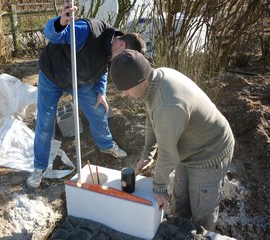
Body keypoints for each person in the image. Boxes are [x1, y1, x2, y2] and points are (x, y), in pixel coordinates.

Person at [109, 49, 235, 231]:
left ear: (141, 81)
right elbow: (152, 119)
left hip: (209, 153)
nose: (124, 94)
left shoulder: (168, 105)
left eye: (126, 89)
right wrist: (148, 153)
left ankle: (201, 234)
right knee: (180, 202)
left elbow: (168, 154)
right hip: (188, 151)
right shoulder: (154, 81)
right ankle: (179, 229)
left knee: (202, 212)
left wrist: (159, 188)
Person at [26, 2, 147, 189]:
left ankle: (106, 145)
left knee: (98, 109)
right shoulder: (89, 30)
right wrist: (61, 22)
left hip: (81, 82)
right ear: (122, 44)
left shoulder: (114, 49)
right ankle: (39, 167)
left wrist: (101, 91)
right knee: (45, 121)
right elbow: (53, 34)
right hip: (53, 76)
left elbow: (103, 69)